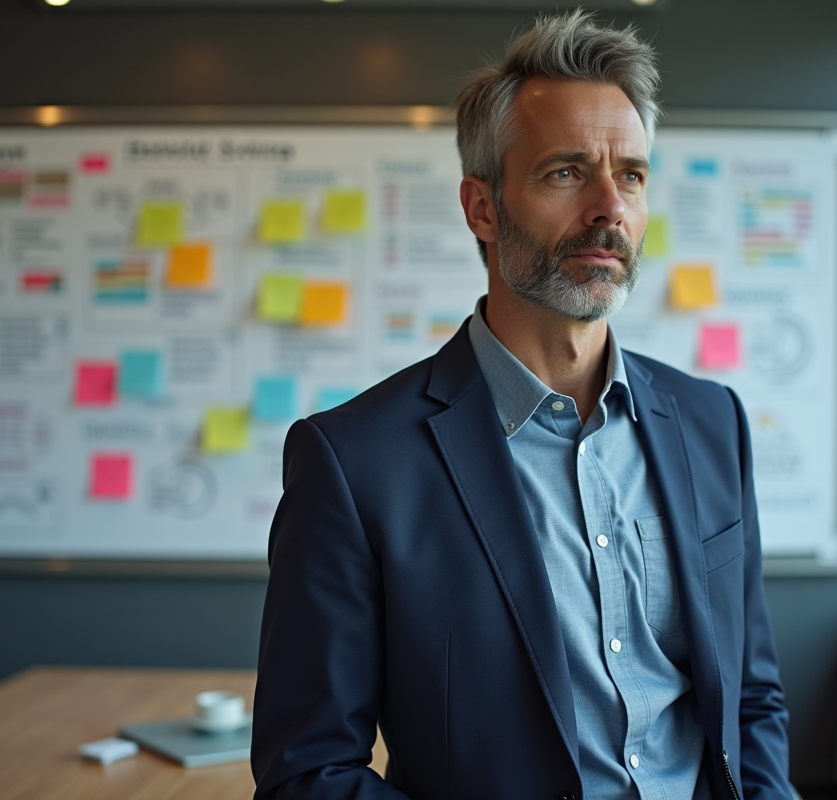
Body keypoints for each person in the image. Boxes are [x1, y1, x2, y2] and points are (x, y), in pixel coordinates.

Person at [251, 10, 792, 800]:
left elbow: (751, 699)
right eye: (567, 172)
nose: (609, 206)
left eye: (632, 175)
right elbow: (310, 773)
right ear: (481, 207)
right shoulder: (356, 462)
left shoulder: (714, 423)